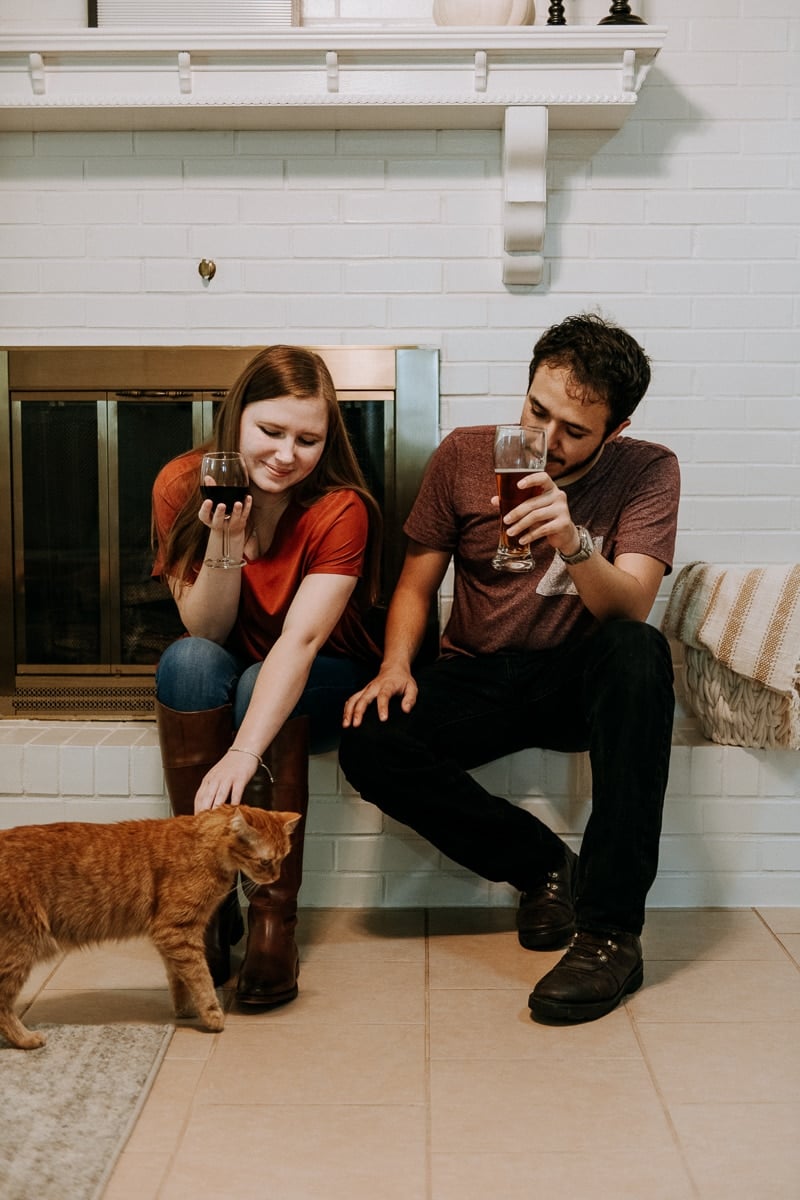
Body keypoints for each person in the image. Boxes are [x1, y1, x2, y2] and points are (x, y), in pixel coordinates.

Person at [339, 313, 679, 1024]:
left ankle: (611, 932)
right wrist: (397, 664)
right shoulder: (465, 455)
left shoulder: (648, 469)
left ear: (613, 431)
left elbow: (632, 606)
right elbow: (413, 583)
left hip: (575, 678)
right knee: (368, 739)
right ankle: (543, 866)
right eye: (537, 411)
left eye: (575, 432)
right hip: (480, 673)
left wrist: (574, 540)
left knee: (638, 652)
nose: (547, 443)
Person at [151, 345, 382, 1009]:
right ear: (237, 421)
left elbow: (302, 640)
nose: (287, 454)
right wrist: (224, 547)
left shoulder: (341, 508)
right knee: (185, 662)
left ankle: (273, 920)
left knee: (258, 683)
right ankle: (206, 899)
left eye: (308, 439)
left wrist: (244, 749)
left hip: (323, 672)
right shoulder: (180, 485)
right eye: (270, 432)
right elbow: (208, 634)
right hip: (236, 658)